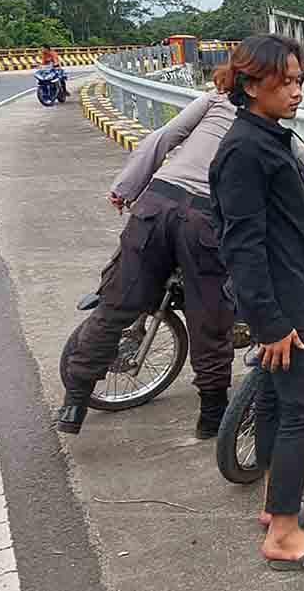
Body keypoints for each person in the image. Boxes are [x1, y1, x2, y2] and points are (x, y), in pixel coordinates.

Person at [209, 34, 304, 572]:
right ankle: (284, 537)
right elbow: (242, 246)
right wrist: (271, 324)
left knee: (275, 403)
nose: (298, 90)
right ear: (252, 85)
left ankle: (281, 506)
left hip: (296, 292)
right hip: (283, 306)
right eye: (287, 81)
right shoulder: (244, 152)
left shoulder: (269, 136)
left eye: (300, 80)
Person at [56, 90, 239, 439]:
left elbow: (163, 139)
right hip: (202, 219)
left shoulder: (215, 99)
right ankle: (212, 416)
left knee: (115, 304)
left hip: (156, 203)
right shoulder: (266, 123)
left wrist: (125, 187)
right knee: (210, 319)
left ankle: (75, 402)